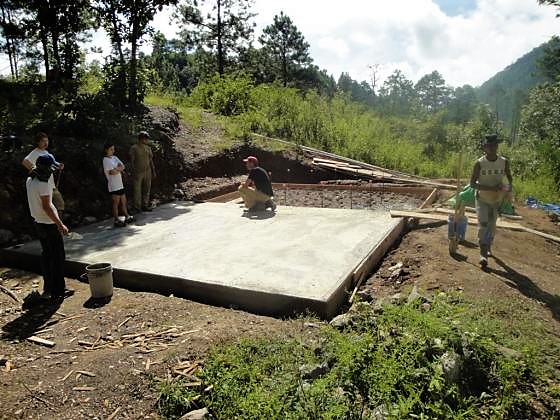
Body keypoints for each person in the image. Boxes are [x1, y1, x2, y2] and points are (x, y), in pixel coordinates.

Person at [26, 154, 70, 300]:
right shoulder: (43, 184)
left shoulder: (30, 180)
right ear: (45, 169)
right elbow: (47, 207)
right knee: (58, 257)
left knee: (47, 255)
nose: (52, 171)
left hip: (37, 222)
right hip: (49, 224)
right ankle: (58, 290)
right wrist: (60, 224)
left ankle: (48, 288)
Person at [469, 134, 513, 268]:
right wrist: (490, 188)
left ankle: (488, 246)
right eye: (489, 146)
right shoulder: (479, 163)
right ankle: (483, 254)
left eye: (494, 145)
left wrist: (505, 189)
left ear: (497, 146)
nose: (492, 148)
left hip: (496, 200)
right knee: (483, 224)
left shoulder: (504, 162)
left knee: (492, 226)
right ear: (484, 148)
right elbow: (472, 184)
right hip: (482, 198)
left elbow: (509, 179)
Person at [22, 132, 65, 211]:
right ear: (38, 142)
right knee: (53, 206)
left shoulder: (46, 152)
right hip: (43, 185)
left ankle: (56, 222)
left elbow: (53, 163)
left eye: (47, 141)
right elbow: (25, 162)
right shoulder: (35, 152)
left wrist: (59, 165)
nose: (46, 143)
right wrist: (35, 171)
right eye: (43, 141)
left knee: (59, 205)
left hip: (51, 185)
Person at [103, 142, 134, 227]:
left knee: (124, 201)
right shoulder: (105, 160)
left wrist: (117, 169)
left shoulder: (115, 157)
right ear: (106, 150)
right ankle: (116, 219)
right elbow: (111, 172)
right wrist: (118, 169)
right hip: (113, 185)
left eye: (113, 149)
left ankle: (126, 216)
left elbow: (122, 166)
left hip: (120, 183)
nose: (113, 151)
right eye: (111, 149)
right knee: (116, 203)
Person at [129, 131, 156, 212]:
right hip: (138, 171)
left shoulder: (148, 148)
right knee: (137, 190)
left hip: (148, 171)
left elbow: (151, 160)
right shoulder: (134, 148)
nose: (147, 141)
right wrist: (132, 171)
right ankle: (137, 207)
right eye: (146, 139)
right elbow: (132, 161)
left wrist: (153, 171)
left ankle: (145, 205)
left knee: (147, 189)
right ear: (142, 139)